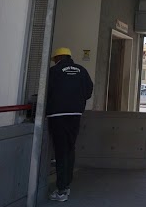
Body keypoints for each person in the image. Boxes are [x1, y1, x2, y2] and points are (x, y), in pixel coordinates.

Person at [46, 47, 94, 202]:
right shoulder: (82, 70)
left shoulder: (53, 71)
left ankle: (61, 190)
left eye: (54, 58)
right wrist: (76, 100)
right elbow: (88, 91)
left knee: (60, 151)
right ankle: (66, 185)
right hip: (75, 114)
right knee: (69, 148)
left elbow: (45, 91)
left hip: (57, 115)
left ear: (58, 57)